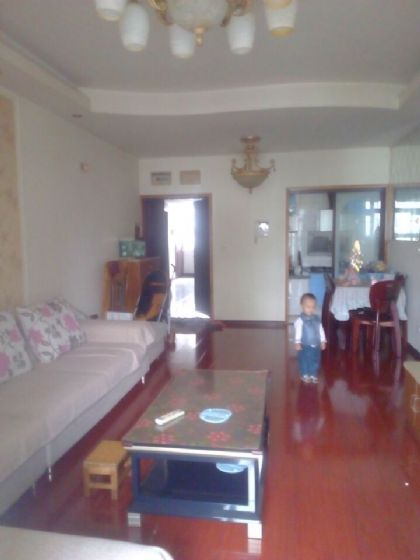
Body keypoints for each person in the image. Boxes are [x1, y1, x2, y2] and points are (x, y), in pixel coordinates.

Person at [294, 293, 327, 384]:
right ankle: (304, 374)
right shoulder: (300, 320)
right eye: (308, 307)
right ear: (302, 306)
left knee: (315, 359)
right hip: (304, 344)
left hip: (316, 344)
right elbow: (298, 331)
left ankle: (313, 373)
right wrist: (297, 342)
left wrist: (323, 340)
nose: (311, 309)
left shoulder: (317, 319)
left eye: (313, 307)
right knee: (304, 359)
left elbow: (320, 330)